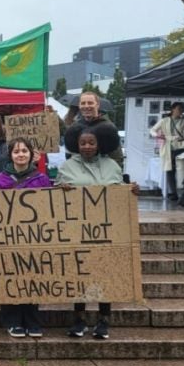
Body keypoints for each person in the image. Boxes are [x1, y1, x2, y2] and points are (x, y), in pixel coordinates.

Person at [57, 122, 139, 340]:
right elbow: (54, 198)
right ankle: (79, 318)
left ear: (99, 144)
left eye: (91, 142)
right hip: (77, 229)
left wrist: (132, 191)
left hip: (106, 230)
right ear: (76, 144)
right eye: (82, 143)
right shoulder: (67, 167)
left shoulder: (112, 165)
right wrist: (60, 189)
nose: (86, 146)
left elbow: (119, 193)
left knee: (105, 273)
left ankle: (104, 320)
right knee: (79, 273)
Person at [0, 137, 52, 338]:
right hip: (7, 238)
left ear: (31, 154)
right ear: (11, 155)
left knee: (32, 278)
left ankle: (32, 321)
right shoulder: (0, 179)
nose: (21, 154)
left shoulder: (41, 178)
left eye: (24, 151)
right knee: (10, 276)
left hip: (33, 237)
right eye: (16, 151)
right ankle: (12, 320)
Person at [72, 91, 123, 167]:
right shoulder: (76, 126)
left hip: (102, 173)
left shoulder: (108, 127)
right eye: (83, 103)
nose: (86, 106)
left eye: (90, 103)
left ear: (97, 105)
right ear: (79, 106)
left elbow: (117, 157)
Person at [150, 102, 184, 201]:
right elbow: (152, 130)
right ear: (173, 109)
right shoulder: (164, 121)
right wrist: (157, 135)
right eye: (179, 108)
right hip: (167, 148)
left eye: (182, 109)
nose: (181, 111)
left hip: (179, 148)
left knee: (180, 171)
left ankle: (182, 192)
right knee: (169, 171)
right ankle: (173, 193)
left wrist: (183, 146)